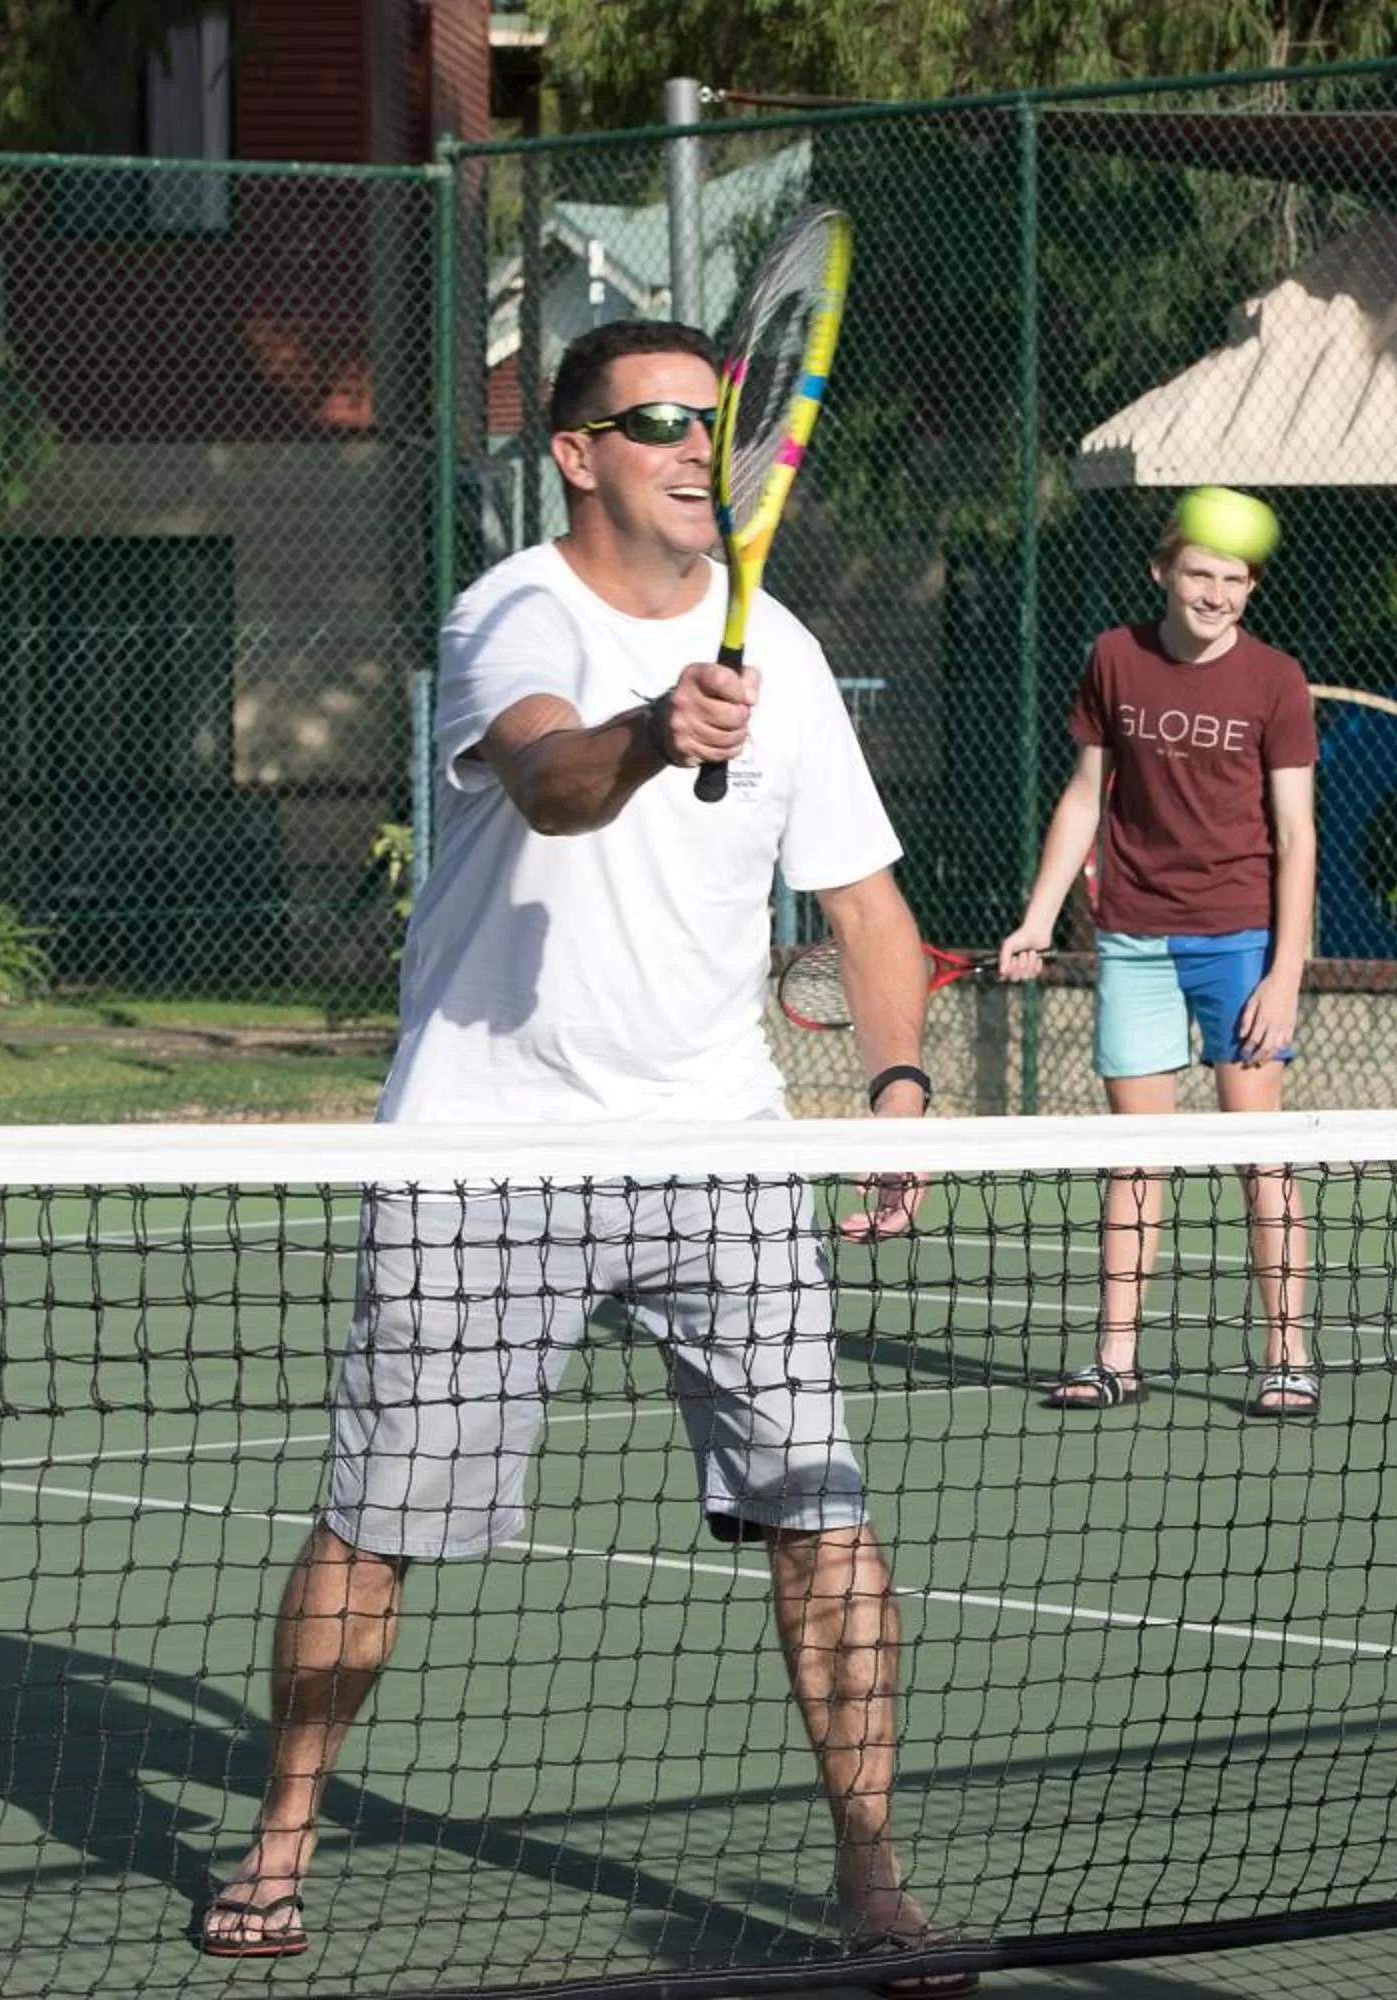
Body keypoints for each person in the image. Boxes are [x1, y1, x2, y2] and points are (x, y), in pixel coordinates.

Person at [201, 318, 972, 1999]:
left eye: (722, 422)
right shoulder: (513, 612)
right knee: (378, 1524)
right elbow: (552, 779)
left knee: (825, 1518)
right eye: (661, 423)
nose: (704, 449)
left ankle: (872, 1876)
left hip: (719, 1150)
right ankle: (280, 1833)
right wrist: (651, 734)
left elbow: (869, 907)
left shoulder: (797, 657)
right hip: (487, 1150)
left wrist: (903, 1081)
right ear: (575, 451)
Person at [995, 499, 1319, 1421]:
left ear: (1252, 589)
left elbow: (1296, 836)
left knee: (1258, 1155)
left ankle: (1288, 1357)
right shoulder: (1114, 659)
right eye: (1199, 574)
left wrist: (1285, 970)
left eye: (1233, 579)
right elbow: (1084, 796)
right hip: (1133, 939)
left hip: (1239, 942)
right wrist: (1038, 917)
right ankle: (1115, 1360)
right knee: (1136, 1158)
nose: (1215, 593)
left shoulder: (1276, 681)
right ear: (1162, 573)